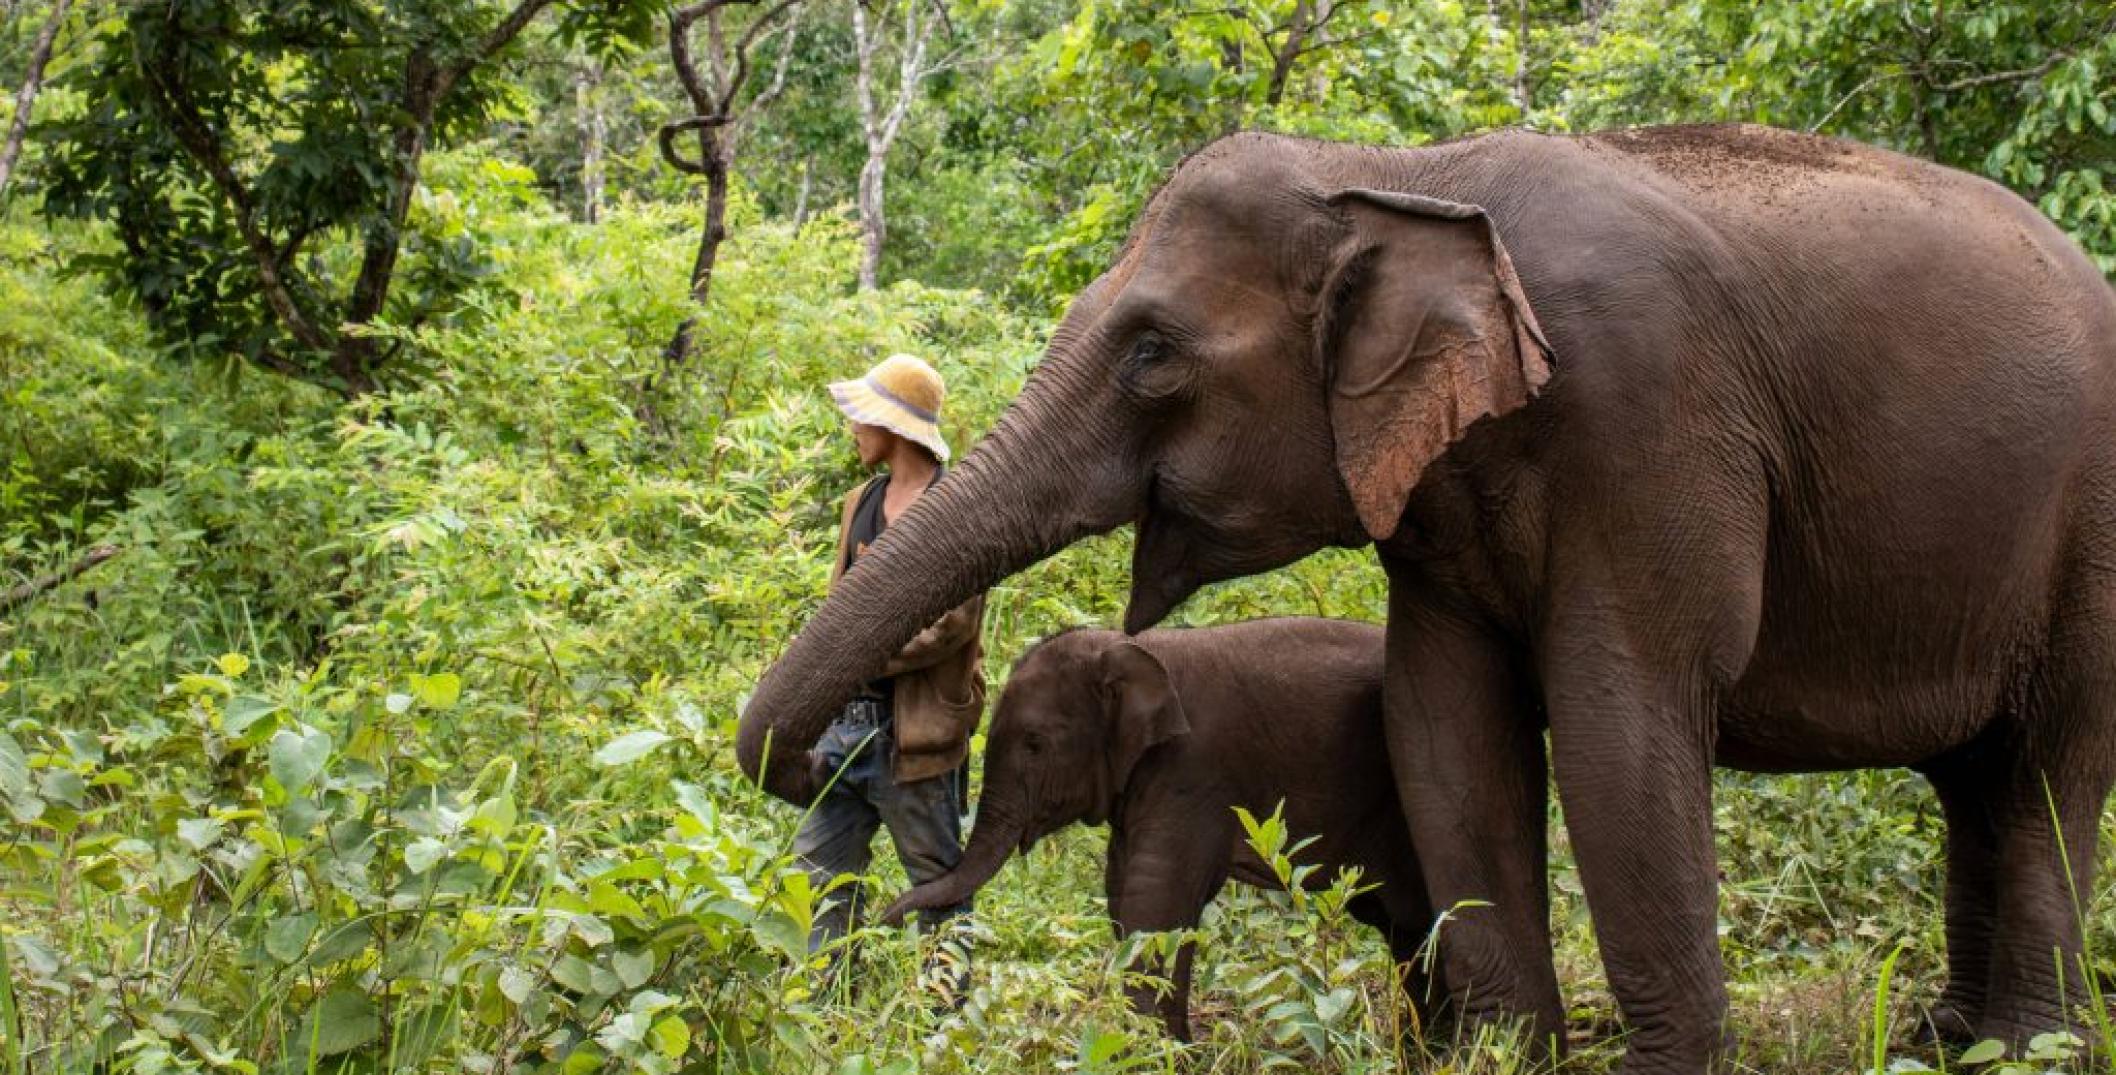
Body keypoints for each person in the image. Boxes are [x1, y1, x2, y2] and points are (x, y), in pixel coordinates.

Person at [795, 353, 986, 1001]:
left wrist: (857, 655)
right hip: (845, 731)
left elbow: (951, 624)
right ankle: (824, 1021)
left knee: (937, 888)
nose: (853, 426)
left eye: (862, 416)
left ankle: (947, 1031)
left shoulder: (957, 508)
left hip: (915, 742)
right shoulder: (861, 502)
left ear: (896, 427)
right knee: (818, 876)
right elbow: (839, 604)